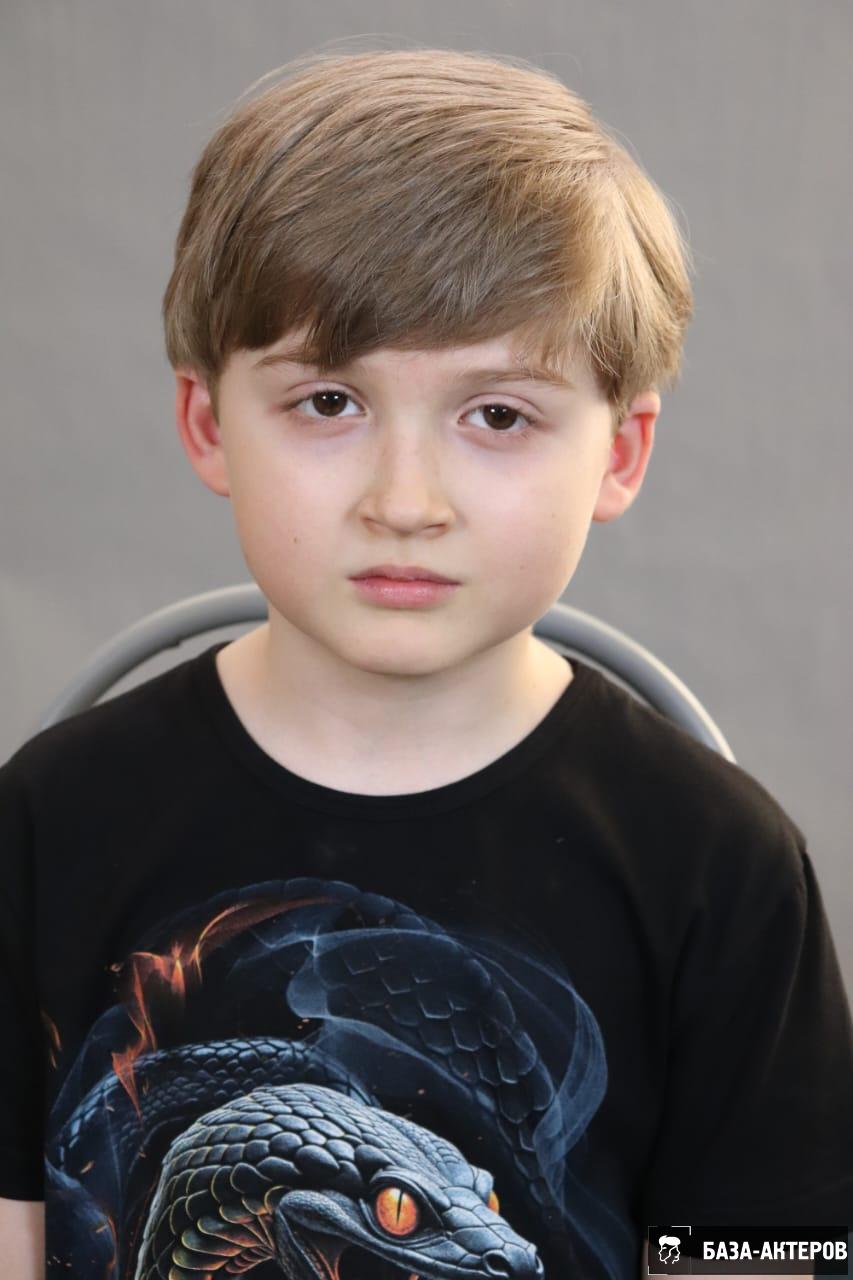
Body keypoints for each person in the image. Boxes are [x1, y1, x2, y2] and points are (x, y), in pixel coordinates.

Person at [1, 47, 850, 1280]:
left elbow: (758, 1258)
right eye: (329, 403)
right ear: (207, 421)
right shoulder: (49, 819)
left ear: (618, 452)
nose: (406, 500)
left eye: (497, 414)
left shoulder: (718, 863)